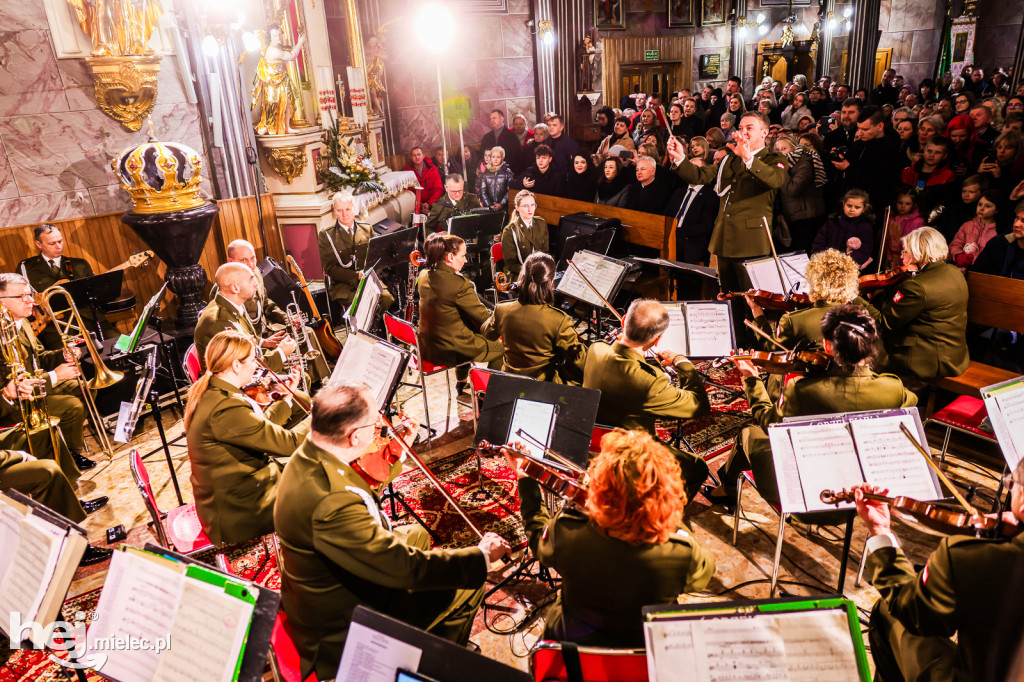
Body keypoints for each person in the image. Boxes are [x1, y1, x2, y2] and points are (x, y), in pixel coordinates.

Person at [274, 382, 510, 680]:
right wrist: (480, 556)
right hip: (344, 624)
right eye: (376, 425)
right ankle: (429, 666)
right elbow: (406, 568)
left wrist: (394, 453)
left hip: (323, 586)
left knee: (416, 534)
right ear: (355, 436)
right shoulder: (331, 502)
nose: (380, 430)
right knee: (467, 583)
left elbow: (354, 486)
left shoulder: (310, 453)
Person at [506, 427, 714, 647]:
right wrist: (663, 514)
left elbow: (539, 542)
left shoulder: (567, 531)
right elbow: (701, 577)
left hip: (575, 645)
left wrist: (526, 480)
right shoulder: (682, 551)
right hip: (647, 647)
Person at [706, 303, 917, 507]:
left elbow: (769, 424)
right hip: (859, 494)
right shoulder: (893, 388)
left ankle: (727, 489)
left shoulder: (801, 390)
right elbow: (910, 402)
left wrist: (752, 379)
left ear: (827, 345)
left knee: (749, 432)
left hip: (807, 495)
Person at [850, 458, 1024, 681]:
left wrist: (880, 531)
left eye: (1012, 485)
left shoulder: (974, 556)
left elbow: (914, 613)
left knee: (886, 612)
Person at [184, 330, 309, 545]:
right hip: (240, 509)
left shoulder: (214, 390)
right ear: (235, 365)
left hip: (234, 495)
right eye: (252, 360)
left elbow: (257, 426)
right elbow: (290, 444)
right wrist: (323, 417)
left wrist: (287, 399)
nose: (256, 366)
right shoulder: (225, 407)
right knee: (323, 482)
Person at [582, 299, 711, 502]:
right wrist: (683, 364)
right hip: (630, 453)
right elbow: (698, 405)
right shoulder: (651, 382)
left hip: (592, 441)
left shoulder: (596, 349)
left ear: (623, 321)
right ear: (657, 340)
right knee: (697, 468)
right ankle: (660, 516)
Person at [667, 111, 789, 292]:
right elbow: (700, 176)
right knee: (728, 297)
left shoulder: (775, 159)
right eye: (741, 128)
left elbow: (775, 180)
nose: (743, 132)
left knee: (751, 301)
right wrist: (680, 158)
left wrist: (748, 158)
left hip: (751, 242)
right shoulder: (729, 160)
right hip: (724, 239)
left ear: (764, 133)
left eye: (749, 128)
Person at [0, 273, 93, 475]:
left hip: (37, 386)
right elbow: (11, 384)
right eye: (22, 297)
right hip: (17, 401)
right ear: (2, 301)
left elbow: (40, 357)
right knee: (72, 407)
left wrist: (63, 353)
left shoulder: (23, 322)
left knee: (85, 387)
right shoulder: (2, 333)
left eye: (29, 295)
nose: (31, 301)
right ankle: (66, 459)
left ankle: (69, 451)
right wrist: (55, 376)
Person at [880, 227, 969, 382]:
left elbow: (885, 322)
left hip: (925, 362)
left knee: (868, 349)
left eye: (906, 251)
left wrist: (857, 298)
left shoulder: (917, 287)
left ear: (918, 252)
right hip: (955, 356)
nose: (902, 256)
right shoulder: (954, 271)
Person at [483, 252, 585, 383]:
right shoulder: (559, 320)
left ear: (522, 279)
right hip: (542, 386)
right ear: (551, 282)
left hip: (510, 381)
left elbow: (488, 333)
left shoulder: (502, 310)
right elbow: (578, 360)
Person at [417, 233, 503, 387]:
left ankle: (462, 381)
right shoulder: (460, 285)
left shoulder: (423, 275)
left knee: (463, 326)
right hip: (451, 349)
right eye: (463, 255)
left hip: (428, 346)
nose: (465, 260)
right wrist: (505, 317)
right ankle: (486, 393)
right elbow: (483, 317)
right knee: (504, 348)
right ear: (450, 257)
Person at [193, 263, 298, 379]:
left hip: (246, 370)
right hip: (236, 384)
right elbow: (242, 369)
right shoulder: (220, 322)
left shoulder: (229, 305)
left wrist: (262, 342)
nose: (256, 284)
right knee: (301, 380)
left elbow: (245, 338)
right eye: (251, 280)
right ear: (235, 288)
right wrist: (281, 353)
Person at [18, 224, 113, 348]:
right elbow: (23, 297)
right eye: (52, 244)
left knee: (122, 343)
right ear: (39, 244)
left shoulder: (80, 264)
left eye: (60, 241)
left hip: (88, 319)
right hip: (55, 327)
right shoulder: (27, 267)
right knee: (66, 358)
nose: (58, 247)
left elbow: (96, 294)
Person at [318, 191, 395, 314]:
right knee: (363, 304)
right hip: (344, 286)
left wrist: (371, 274)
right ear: (335, 212)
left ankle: (374, 328)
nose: (344, 214)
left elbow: (376, 258)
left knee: (387, 298)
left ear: (354, 209)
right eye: (339, 210)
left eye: (348, 209)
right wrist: (356, 276)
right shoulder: (326, 235)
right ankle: (365, 331)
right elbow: (331, 269)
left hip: (368, 281)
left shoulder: (366, 229)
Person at [833, 105, 903, 220]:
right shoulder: (859, 144)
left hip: (872, 209)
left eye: (865, 129)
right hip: (850, 205)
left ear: (880, 126)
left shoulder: (891, 150)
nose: (860, 133)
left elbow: (879, 182)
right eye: (858, 128)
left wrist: (848, 168)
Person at [774, 133, 826, 254]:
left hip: (806, 218)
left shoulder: (804, 162)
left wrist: (781, 170)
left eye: (784, 148)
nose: (781, 152)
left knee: (804, 254)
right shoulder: (782, 163)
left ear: (793, 148)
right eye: (777, 150)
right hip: (792, 216)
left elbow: (793, 189)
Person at [251, 27, 306, 135]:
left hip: (280, 78)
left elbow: (285, 59)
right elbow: (292, 56)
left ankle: (286, 127)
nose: (278, 37)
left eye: (280, 34)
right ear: (270, 37)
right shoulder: (273, 50)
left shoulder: (279, 47)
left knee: (286, 102)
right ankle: (267, 127)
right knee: (273, 104)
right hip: (273, 82)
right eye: (275, 35)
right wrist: (300, 43)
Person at [672, 156, 718, 264]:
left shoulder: (710, 195)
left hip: (691, 242)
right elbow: (667, 214)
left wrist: (678, 231)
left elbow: (705, 226)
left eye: (694, 168)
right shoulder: (679, 191)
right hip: (672, 236)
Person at [811, 189, 874, 268]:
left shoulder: (865, 227)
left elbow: (865, 251)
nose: (852, 210)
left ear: (864, 209)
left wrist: (845, 263)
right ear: (844, 203)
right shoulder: (832, 221)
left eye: (857, 207)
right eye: (849, 206)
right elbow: (818, 242)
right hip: (827, 263)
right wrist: (824, 258)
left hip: (849, 267)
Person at [501, 190, 549, 278]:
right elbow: (511, 265)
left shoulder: (541, 223)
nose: (530, 209)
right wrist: (531, 271)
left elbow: (545, 252)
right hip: (518, 274)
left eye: (532, 205)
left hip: (539, 272)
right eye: (525, 206)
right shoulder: (509, 231)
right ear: (517, 207)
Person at [950, 190, 1000, 271]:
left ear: (996, 210)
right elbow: (955, 243)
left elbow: (995, 256)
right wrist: (958, 255)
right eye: (980, 204)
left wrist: (973, 259)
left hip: (984, 273)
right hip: (962, 270)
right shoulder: (967, 225)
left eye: (988, 206)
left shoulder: (998, 230)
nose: (982, 208)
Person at [973, 200, 1024, 278]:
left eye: (1023, 221)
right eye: (1017, 218)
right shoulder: (998, 243)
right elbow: (974, 274)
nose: (1016, 224)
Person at [882, 188, 926, 268]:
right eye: (900, 203)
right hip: (891, 254)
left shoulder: (918, 221)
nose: (903, 206)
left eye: (907, 204)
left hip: (908, 255)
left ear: (914, 204)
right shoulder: (890, 217)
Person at [480, 109, 523, 174]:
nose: (492, 120)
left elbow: (517, 157)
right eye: (490, 119)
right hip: (489, 173)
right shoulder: (486, 137)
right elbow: (481, 156)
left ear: (502, 119)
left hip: (508, 172)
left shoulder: (512, 136)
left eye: (494, 118)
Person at [403, 146, 443, 213]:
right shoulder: (407, 172)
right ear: (411, 158)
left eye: (419, 154)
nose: (417, 157)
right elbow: (408, 192)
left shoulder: (433, 169)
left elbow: (438, 189)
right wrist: (419, 204)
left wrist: (429, 204)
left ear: (423, 156)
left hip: (433, 204)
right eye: (414, 155)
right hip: (415, 206)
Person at [475, 146, 515, 211]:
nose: (495, 159)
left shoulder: (507, 172)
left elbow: (509, 190)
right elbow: (483, 191)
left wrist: (501, 204)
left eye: (498, 157)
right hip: (489, 208)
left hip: (504, 207)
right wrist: (489, 205)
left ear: (502, 158)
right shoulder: (486, 173)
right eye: (493, 157)